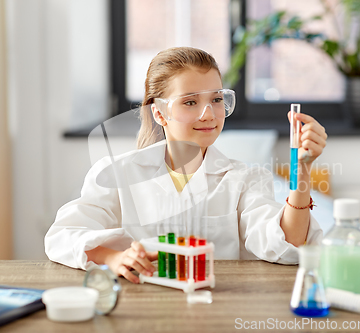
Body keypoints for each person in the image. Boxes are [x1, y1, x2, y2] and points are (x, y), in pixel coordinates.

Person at [45, 47, 328, 284]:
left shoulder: (246, 179)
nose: (209, 114)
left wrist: (301, 171)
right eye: (190, 102)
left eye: (217, 99)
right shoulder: (117, 174)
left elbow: (288, 246)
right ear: (159, 113)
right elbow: (63, 235)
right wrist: (114, 257)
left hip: (217, 311)